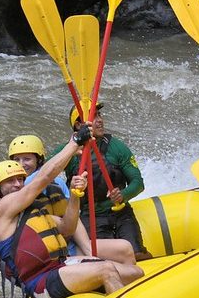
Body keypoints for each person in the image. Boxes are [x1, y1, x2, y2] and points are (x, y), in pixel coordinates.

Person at [0, 126, 144, 298]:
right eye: (10, 181)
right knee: (106, 270)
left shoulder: (34, 214)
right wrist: (74, 143)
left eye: (20, 179)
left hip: (59, 266)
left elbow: (68, 228)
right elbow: (43, 178)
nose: (18, 184)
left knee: (135, 272)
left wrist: (75, 196)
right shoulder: (1, 211)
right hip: (40, 281)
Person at [8, 135, 136, 264]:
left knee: (125, 249)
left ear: (39, 159)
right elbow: (43, 176)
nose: (21, 164)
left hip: (69, 246)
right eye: (16, 160)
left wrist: (88, 248)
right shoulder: (19, 190)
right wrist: (70, 150)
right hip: (47, 254)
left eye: (27, 159)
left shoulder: (57, 183)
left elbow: (73, 218)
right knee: (100, 264)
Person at [50, 101, 152, 261]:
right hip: (90, 217)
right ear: (78, 125)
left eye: (99, 114)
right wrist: (71, 150)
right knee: (108, 260)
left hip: (120, 212)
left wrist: (123, 195)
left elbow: (138, 183)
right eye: (94, 116)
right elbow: (45, 172)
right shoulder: (67, 151)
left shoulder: (116, 147)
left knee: (136, 254)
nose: (100, 120)